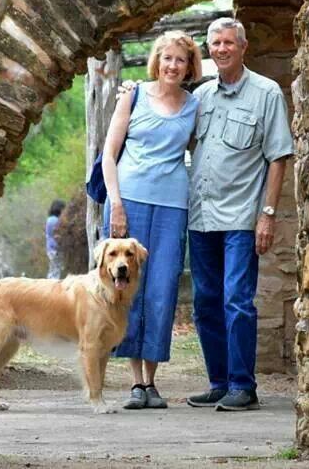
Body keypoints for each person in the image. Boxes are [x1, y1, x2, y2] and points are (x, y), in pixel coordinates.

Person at [185, 17, 293, 411]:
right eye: (215, 43)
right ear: (209, 49)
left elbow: (279, 156)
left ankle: (243, 386)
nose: (222, 49)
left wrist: (267, 214)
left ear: (242, 47)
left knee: (237, 301)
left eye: (229, 42)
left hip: (240, 219)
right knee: (205, 302)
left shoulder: (266, 93)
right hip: (200, 217)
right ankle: (219, 381)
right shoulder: (200, 96)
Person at [102, 30, 202, 410]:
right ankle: (134, 383)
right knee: (129, 289)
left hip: (172, 207)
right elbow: (109, 154)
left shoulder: (195, 105)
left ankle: (152, 381)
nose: (173, 65)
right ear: (156, 61)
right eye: (167, 58)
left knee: (161, 290)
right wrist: (117, 205)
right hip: (130, 201)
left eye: (181, 59)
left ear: (189, 65)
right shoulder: (133, 94)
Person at [45, 199, 66, 279]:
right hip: (55, 249)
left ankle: (50, 284)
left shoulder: (50, 219)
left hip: (50, 248)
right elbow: (58, 234)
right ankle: (51, 286)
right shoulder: (55, 220)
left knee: (53, 269)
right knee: (55, 270)